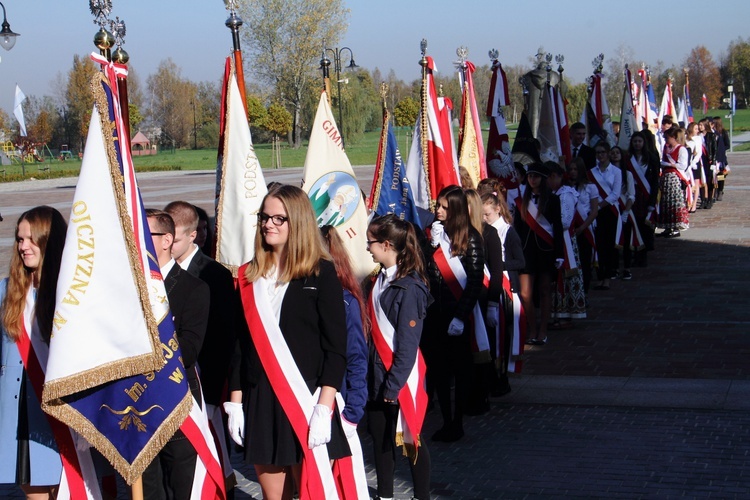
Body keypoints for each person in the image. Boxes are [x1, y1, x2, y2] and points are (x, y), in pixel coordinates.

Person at [226, 184, 350, 500]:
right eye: (264, 217)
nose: (268, 224)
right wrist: (236, 403)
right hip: (261, 399)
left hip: (306, 399)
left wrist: (324, 407)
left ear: (297, 222)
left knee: (311, 493)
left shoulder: (321, 274)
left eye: (278, 219)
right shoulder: (247, 276)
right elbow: (240, 345)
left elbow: (336, 349)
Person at [164, 201, 238, 493]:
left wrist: (213, 396)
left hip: (205, 386)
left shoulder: (213, 274)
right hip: (170, 388)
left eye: (176, 238)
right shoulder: (158, 272)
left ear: (193, 236)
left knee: (213, 462)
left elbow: (222, 340)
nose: (168, 244)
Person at [142, 209, 210, 500]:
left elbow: (190, 350)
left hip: (177, 402)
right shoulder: (130, 288)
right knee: (147, 490)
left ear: (167, 239)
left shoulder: (193, 287)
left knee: (183, 487)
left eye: (145, 235)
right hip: (138, 404)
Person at [0, 206, 66, 500]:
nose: (23, 246)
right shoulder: (6, 291)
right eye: (19, 239)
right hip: (21, 408)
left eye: (30, 239)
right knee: (34, 489)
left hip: (63, 407)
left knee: (71, 488)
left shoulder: (72, 292)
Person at [365, 214, 432, 500]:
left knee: (411, 440)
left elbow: (407, 345)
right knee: (381, 441)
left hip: (398, 378)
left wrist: (393, 386)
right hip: (377, 374)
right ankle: (385, 495)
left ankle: (422, 495)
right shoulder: (377, 279)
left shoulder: (410, 288)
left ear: (387, 244)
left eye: (371, 242)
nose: (367, 248)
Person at [423, 185, 484, 442]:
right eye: (438, 206)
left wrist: (460, 316)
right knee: (437, 370)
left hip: (457, 315)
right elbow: (425, 270)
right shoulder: (435, 235)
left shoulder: (471, 238)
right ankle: (446, 420)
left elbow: (474, 280)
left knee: (459, 371)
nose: (438, 211)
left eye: (444, 207)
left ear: (456, 209)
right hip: (435, 314)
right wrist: (432, 246)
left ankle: (457, 421)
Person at [319, 224, 369, 498]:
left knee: (336, 485)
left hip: (340, 404)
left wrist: (353, 410)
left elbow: (356, 358)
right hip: (311, 403)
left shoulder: (345, 300)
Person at [510, 163, 563, 344]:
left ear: (543, 178)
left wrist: (559, 254)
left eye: (536, 176)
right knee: (525, 293)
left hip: (546, 251)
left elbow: (557, 227)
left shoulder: (553, 200)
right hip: (526, 252)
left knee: (545, 290)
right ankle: (532, 328)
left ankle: (543, 330)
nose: (533, 179)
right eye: (530, 176)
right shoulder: (521, 201)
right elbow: (517, 229)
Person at [481, 190, 525, 394]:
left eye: (487, 214)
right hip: (492, 285)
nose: (484, 219)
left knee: (503, 336)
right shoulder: (485, 231)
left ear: (498, 209)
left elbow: (521, 261)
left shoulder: (508, 231)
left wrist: (498, 264)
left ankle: (503, 377)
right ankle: (492, 377)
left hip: (507, 289)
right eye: (481, 215)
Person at [464, 189, 503, 415]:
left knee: (483, 350)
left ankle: (484, 394)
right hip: (468, 298)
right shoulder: (459, 232)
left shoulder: (488, 233)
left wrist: (492, 305)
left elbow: (496, 272)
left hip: (484, 298)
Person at [547, 162, 586, 327]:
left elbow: (565, 220)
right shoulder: (551, 193)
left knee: (567, 276)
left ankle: (568, 313)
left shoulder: (566, 194)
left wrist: (546, 221)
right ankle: (557, 313)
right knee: (556, 278)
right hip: (554, 239)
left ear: (555, 177)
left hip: (565, 241)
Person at [589, 142, 622, 290]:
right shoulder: (592, 172)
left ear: (608, 153)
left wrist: (600, 205)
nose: (600, 155)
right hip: (595, 212)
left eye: (603, 152)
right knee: (598, 244)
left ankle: (607, 277)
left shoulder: (616, 171)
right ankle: (600, 276)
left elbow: (615, 194)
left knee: (608, 245)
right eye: (598, 153)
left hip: (609, 211)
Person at [566, 157, 599, 294]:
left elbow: (594, 211)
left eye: (576, 169)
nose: (573, 172)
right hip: (569, 229)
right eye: (571, 169)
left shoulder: (590, 187)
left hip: (585, 229)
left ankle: (584, 291)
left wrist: (582, 227)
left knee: (584, 263)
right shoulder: (565, 188)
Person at [627, 132, 659, 267]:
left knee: (643, 226)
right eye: (635, 141)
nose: (637, 144)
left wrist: (652, 202)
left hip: (645, 196)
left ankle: (643, 255)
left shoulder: (651, 158)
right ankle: (633, 253)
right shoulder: (628, 158)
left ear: (644, 143)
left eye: (639, 141)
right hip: (632, 194)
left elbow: (655, 181)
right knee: (632, 225)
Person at [657, 127, 690, 238]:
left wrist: (668, 164)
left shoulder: (681, 149)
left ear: (674, 137)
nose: (665, 139)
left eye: (667, 137)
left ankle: (676, 227)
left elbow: (682, 165)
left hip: (675, 178)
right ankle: (667, 226)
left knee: (674, 203)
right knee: (666, 203)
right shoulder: (666, 149)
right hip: (666, 178)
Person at [698, 118, 717, 209]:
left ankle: (709, 199)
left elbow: (714, 150)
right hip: (700, 160)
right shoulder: (698, 136)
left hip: (709, 160)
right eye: (699, 125)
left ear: (705, 125)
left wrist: (713, 162)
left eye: (701, 125)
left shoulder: (711, 135)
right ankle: (703, 200)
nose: (699, 127)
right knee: (702, 181)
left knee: (709, 181)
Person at [713, 116, 730, 202]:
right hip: (713, 158)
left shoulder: (723, 132)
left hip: (721, 158)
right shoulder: (712, 133)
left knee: (721, 175)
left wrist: (721, 150)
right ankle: (715, 190)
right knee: (714, 175)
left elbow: (727, 145)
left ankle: (720, 190)